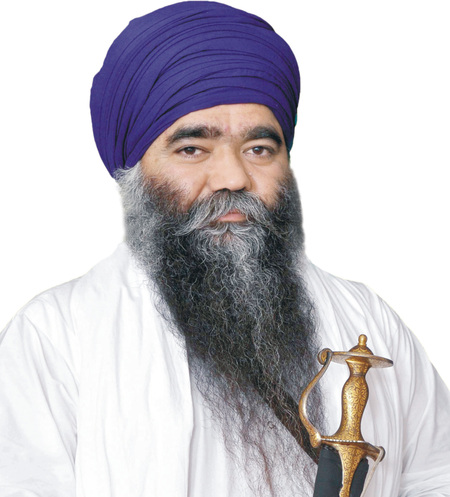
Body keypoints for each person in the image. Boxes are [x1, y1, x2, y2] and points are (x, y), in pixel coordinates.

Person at [0, 2, 449, 496]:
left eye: (259, 149)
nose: (234, 177)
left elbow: (435, 477)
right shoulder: (56, 339)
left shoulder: (367, 319)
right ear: (133, 171)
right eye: (192, 149)